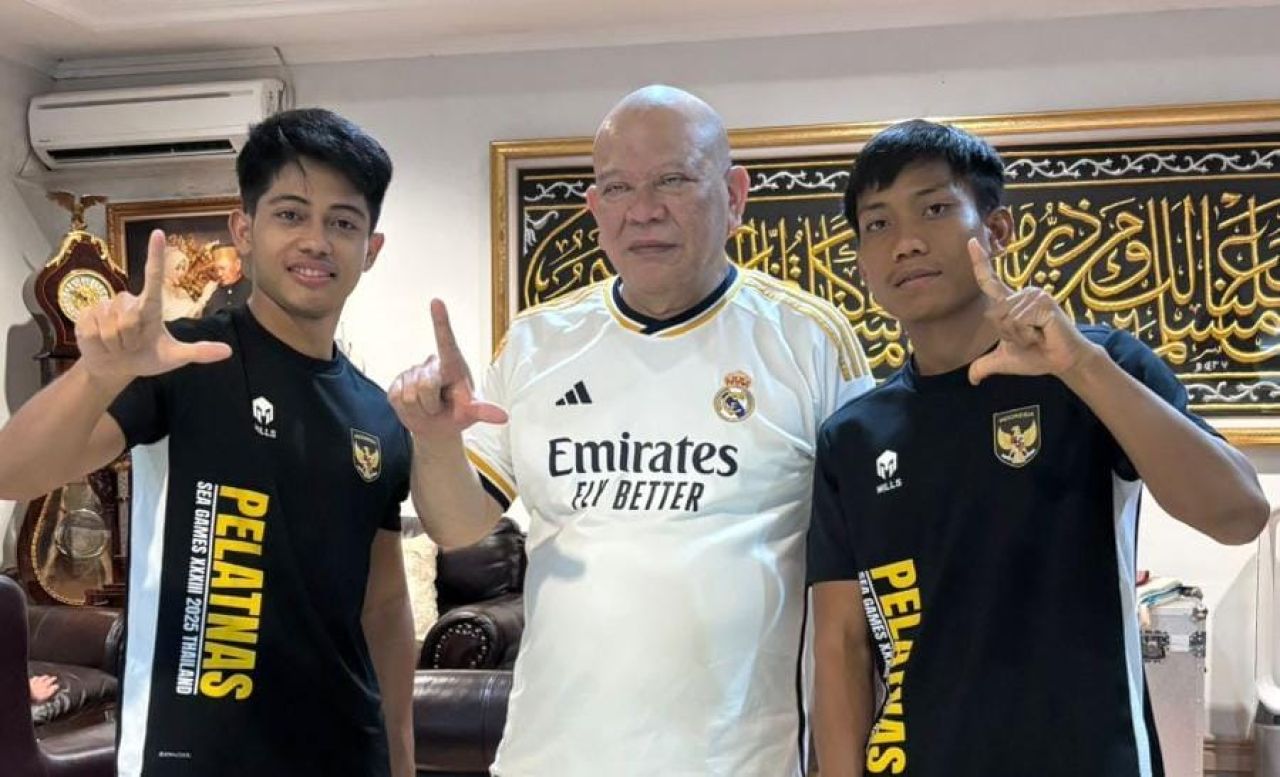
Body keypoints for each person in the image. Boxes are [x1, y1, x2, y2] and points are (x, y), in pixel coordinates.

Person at [389, 84, 874, 777]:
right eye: (617, 188)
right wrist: (435, 439)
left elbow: (862, 576)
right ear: (594, 209)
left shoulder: (809, 339)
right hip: (547, 759)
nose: (643, 210)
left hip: (739, 761)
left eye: (673, 179)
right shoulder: (537, 341)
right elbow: (458, 525)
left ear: (735, 196)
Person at [806, 119, 1270, 777]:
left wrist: (1079, 366)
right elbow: (842, 647)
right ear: (860, 262)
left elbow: (1238, 514)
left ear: (997, 230)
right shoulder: (854, 437)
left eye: (935, 209)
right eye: (877, 224)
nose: (906, 242)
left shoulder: (1098, 365)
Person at [0, 108, 415, 777]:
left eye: (342, 222)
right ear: (243, 231)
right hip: (197, 755)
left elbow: (385, 605)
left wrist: (401, 758)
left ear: (371, 248)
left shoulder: (379, 412)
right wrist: (98, 375)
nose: (316, 240)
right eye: (290, 214)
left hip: (346, 753)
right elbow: (12, 472)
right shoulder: (184, 360)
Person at [199, 245, 251, 317]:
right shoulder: (212, 293)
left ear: (237, 265)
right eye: (216, 270)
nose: (219, 274)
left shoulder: (253, 292)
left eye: (222, 268)